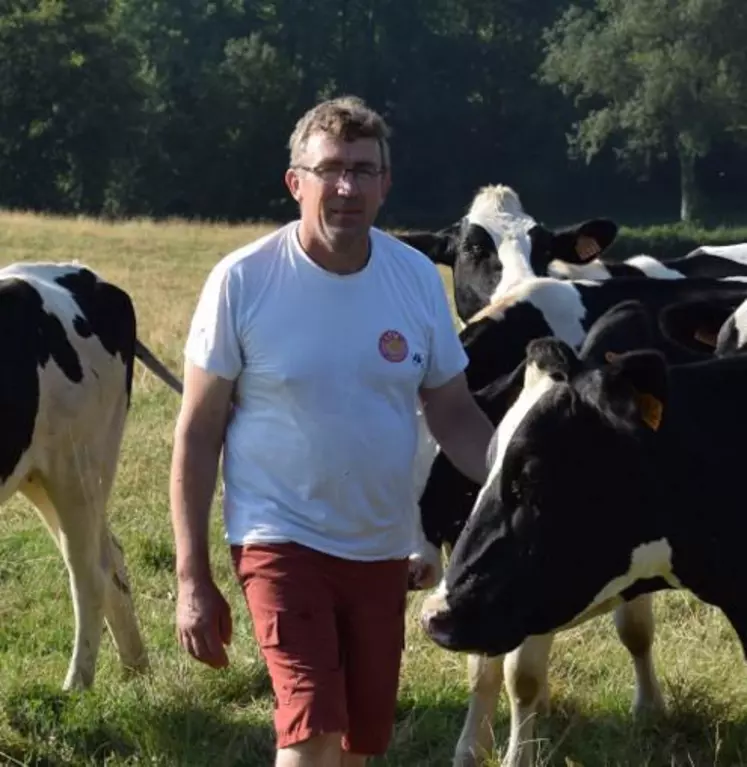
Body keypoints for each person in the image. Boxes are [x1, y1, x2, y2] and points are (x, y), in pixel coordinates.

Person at [170, 95, 495, 767]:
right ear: (296, 182)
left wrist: (513, 473)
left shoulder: (411, 278)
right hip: (278, 538)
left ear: (384, 184)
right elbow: (197, 436)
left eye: (362, 170)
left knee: (357, 745)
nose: (345, 187)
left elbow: (453, 412)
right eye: (329, 169)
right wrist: (191, 577)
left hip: (379, 546)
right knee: (312, 728)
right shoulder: (244, 280)